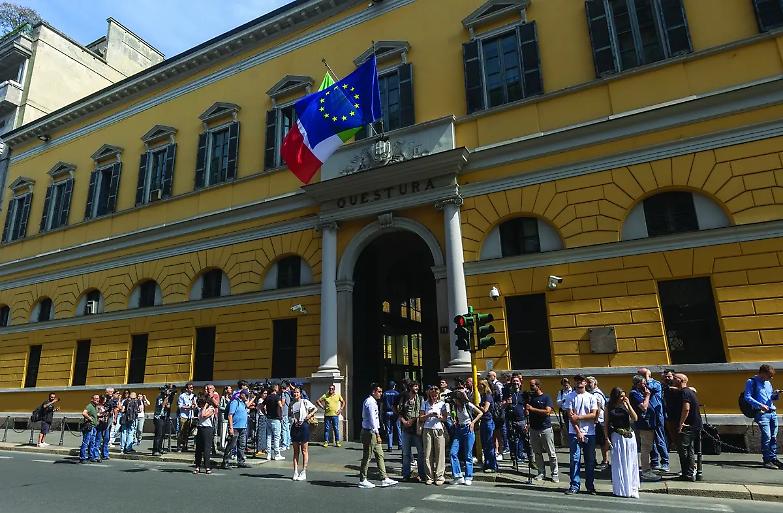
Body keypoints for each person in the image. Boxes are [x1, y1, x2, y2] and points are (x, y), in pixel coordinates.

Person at [563, 375, 598, 495]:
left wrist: (580, 417)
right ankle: (574, 485)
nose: (579, 383)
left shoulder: (591, 397)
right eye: (577, 381)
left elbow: (593, 414)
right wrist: (578, 431)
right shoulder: (570, 397)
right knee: (575, 459)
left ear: (585, 383)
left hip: (590, 432)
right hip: (574, 432)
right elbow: (570, 416)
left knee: (590, 461)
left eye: (581, 381)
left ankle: (590, 486)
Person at [358, 383, 398, 489]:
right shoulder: (370, 402)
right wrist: (377, 433)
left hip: (372, 431)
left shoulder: (373, 402)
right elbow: (372, 419)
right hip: (370, 432)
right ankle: (363, 479)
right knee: (367, 456)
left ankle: (384, 478)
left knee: (380, 455)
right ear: (373, 392)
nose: (381, 394)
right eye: (379, 391)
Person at [744, 364, 782, 469]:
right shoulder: (751, 382)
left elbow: (771, 398)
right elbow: (747, 397)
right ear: (762, 373)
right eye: (769, 376)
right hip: (761, 413)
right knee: (767, 437)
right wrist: (760, 405)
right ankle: (767, 460)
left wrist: (775, 394)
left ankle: (773, 458)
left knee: (774, 437)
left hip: (772, 412)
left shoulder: (768, 383)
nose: (771, 378)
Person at [604, 387, 639, 498]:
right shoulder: (609, 408)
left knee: (631, 462)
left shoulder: (626, 406)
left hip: (629, 436)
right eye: (621, 396)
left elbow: (635, 418)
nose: (623, 398)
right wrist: (606, 438)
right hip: (617, 436)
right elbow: (605, 424)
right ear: (616, 396)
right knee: (620, 462)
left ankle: (632, 487)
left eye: (624, 395)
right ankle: (621, 489)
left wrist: (628, 405)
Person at [629, 375, 661, 482]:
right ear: (638, 383)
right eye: (643, 383)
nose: (645, 385)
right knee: (645, 448)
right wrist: (647, 396)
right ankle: (645, 471)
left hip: (649, 423)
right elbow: (643, 407)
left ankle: (647, 468)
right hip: (644, 424)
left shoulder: (640, 391)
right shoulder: (634, 394)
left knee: (648, 447)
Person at [527, 379, 559, 482]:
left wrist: (532, 409)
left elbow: (547, 411)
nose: (531, 388)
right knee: (537, 453)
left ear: (538, 386)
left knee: (551, 453)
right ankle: (541, 472)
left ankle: (555, 474)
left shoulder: (546, 397)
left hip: (545, 428)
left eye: (532, 386)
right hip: (533, 428)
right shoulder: (530, 398)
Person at [449, 390, 482, 486]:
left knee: (468, 454)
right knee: (452, 452)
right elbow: (455, 416)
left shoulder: (468, 405)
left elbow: (480, 413)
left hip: (468, 430)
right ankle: (458, 476)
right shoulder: (454, 406)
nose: (454, 401)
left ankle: (468, 476)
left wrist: (473, 422)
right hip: (459, 429)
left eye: (455, 399)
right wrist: (455, 421)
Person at [638, 367, 668, 472]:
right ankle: (655, 461)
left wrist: (647, 377)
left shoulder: (655, 383)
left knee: (660, 438)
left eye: (640, 375)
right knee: (651, 440)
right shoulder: (640, 386)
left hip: (657, 414)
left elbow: (650, 388)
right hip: (649, 416)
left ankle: (665, 462)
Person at [674, 373, 702, 481]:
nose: (673, 380)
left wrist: (681, 423)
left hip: (688, 426)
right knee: (689, 449)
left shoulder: (685, 392)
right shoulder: (689, 391)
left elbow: (686, 409)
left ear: (680, 380)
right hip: (695, 425)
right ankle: (690, 473)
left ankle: (686, 473)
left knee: (683, 449)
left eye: (675, 378)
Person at [397, 380, 425, 482]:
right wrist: (404, 421)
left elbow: (422, 412)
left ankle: (422, 474)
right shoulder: (404, 398)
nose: (417, 388)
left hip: (416, 429)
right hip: (406, 429)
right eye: (415, 386)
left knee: (421, 453)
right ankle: (406, 474)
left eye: (417, 386)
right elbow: (399, 411)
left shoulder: (421, 399)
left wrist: (412, 420)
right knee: (406, 453)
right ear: (410, 387)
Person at [420, 384, 447, 485]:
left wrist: (440, 417)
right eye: (432, 394)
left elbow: (446, 417)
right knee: (427, 453)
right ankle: (429, 476)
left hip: (438, 429)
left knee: (440, 453)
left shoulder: (442, 404)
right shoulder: (425, 403)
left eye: (435, 394)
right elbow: (421, 418)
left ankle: (439, 476)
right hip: (427, 429)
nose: (434, 396)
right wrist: (429, 415)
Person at [289, 386, 317, 481]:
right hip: (295, 427)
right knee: (295, 451)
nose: (295, 394)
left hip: (304, 425)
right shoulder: (291, 403)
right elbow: (291, 415)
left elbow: (315, 408)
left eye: (297, 392)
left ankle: (304, 471)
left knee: (304, 450)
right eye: (294, 392)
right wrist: (294, 419)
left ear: (300, 393)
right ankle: (295, 471)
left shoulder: (304, 401)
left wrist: (308, 415)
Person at [221, 389, 251, 469]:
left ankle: (241, 461)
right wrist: (231, 427)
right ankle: (225, 462)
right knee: (231, 445)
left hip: (243, 427)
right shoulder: (235, 402)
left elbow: (248, 406)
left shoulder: (243, 403)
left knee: (242, 445)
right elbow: (230, 415)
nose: (247, 397)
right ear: (242, 395)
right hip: (235, 427)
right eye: (246, 395)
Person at [504, 374, 529, 464]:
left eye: (517, 381)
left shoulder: (524, 394)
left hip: (522, 420)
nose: (515, 383)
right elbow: (502, 406)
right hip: (511, 420)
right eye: (514, 381)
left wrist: (527, 420)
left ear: (520, 382)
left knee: (525, 440)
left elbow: (527, 407)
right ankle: (514, 459)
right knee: (512, 440)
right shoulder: (508, 394)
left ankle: (529, 459)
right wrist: (507, 403)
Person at [586, 376, 608, 470]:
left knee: (603, 441)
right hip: (596, 420)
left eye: (590, 382)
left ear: (595, 383)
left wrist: (595, 420)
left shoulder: (596, 394)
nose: (588, 384)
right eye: (587, 382)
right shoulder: (591, 393)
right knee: (594, 442)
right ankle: (593, 460)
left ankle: (605, 461)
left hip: (599, 420)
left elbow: (598, 408)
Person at [477, 379, 498, 473]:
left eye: (480, 384)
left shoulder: (488, 397)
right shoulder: (482, 396)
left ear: (484, 386)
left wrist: (476, 406)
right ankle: (487, 463)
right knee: (484, 444)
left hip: (488, 421)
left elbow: (485, 409)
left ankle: (493, 465)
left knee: (489, 444)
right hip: (483, 421)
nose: (478, 386)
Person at [193, 394, 216, 474]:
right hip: (200, 428)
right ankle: (197, 466)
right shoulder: (200, 409)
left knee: (206, 449)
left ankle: (207, 467)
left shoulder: (211, 409)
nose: (200, 404)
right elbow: (199, 417)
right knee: (198, 449)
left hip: (207, 429)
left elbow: (204, 415)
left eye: (202, 402)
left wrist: (206, 405)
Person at [152, 385, 174, 456]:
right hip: (158, 417)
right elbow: (162, 405)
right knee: (158, 434)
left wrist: (169, 399)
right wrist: (167, 397)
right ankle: (155, 450)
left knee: (163, 434)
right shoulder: (160, 397)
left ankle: (160, 448)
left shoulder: (167, 398)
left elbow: (168, 406)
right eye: (167, 390)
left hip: (164, 417)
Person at [80, 394, 100, 463]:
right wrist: (89, 418)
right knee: (86, 442)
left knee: (92, 442)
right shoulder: (90, 406)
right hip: (89, 427)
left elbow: (95, 415)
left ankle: (91, 456)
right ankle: (82, 458)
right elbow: (84, 413)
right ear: (92, 399)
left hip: (94, 427)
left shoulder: (95, 407)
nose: (97, 400)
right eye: (96, 398)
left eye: (98, 398)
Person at [177, 382, 197, 452]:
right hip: (183, 416)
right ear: (186, 389)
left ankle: (185, 446)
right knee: (182, 431)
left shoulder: (193, 396)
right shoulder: (182, 396)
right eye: (190, 388)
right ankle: (179, 446)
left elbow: (195, 405)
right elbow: (180, 406)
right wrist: (188, 407)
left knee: (187, 432)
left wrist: (194, 405)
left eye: (192, 388)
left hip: (190, 416)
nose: (192, 389)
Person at [382, 381, 401, 451]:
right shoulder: (397, 393)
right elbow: (398, 405)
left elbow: (381, 404)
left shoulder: (385, 393)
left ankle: (390, 446)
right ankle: (400, 444)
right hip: (395, 412)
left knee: (389, 429)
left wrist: (381, 413)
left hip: (387, 412)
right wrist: (399, 413)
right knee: (398, 428)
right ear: (394, 386)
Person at [556, 377, 573, 445]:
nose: (565, 386)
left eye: (566, 384)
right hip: (565, 412)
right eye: (563, 385)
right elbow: (558, 403)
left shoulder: (573, 391)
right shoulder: (561, 392)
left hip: (573, 411)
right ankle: (571, 443)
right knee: (569, 428)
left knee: (576, 427)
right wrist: (564, 400)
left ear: (569, 384)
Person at [254, 387, 268, 457]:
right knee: (261, 433)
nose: (265, 395)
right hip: (262, 416)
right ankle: (259, 449)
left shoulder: (265, 400)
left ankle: (263, 448)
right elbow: (262, 408)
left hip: (265, 417)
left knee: (264, 433)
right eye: (264, 393)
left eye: (266, 393)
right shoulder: (260, 400)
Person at [218, 385, 233, 451]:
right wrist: (227, 409)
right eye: (229, 388)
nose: (231, 389)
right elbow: (220, 407)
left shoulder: (231, 398)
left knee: (227, 431)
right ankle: (222, 445)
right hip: (224, 416)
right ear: (226, 390)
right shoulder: (223, 398)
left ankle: (226, 444)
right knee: (223, 431)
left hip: (229, 416)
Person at [280, 380, 292, 452]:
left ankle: (284, 444)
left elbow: (283, 403)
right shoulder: (288, 393)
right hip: (287, 412)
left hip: (283, 412)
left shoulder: (283, 394)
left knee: (284, 429)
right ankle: (287, 443)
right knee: (287, 429)